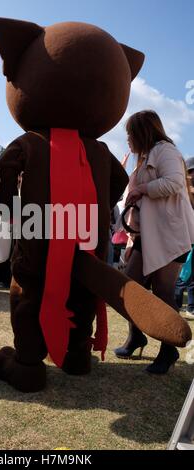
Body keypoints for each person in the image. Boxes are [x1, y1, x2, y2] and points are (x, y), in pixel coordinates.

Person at [114, 110, 194, 373]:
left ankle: (168, 349)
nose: (128, 139)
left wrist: (142, 190)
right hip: (147, 236)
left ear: (142, 132)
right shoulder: (147, 156)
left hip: (170, 236)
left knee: (163, 293)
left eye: (130, 133)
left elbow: (173, 183)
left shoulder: (165, 151)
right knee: (130, 288)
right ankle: (136, 336)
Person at [174, 157, 194, 319]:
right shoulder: (183, 193)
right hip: (185, 241)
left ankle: (191, 308)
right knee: (183, 276)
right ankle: (175, 307)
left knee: (191, 278)